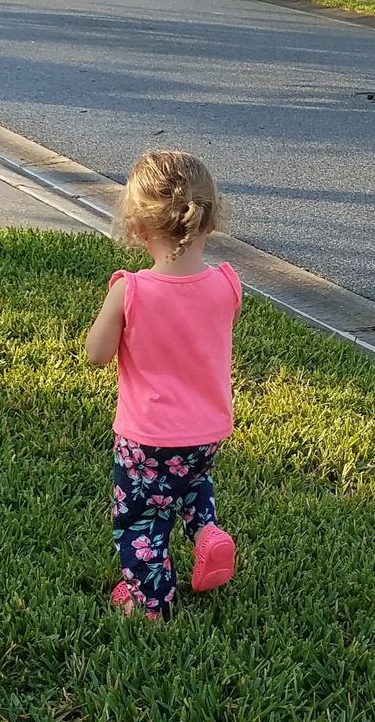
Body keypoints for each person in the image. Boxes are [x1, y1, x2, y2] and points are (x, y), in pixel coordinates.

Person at [85, 149, 241, 620]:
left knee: (142, 519)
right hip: (208, 430)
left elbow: (95, 354)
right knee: (191, 483)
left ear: (137, 228)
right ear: (210, 221)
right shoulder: (228, 285)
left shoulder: (130, 290)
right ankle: (206, 533)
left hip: (148, 438)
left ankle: (150, 603)